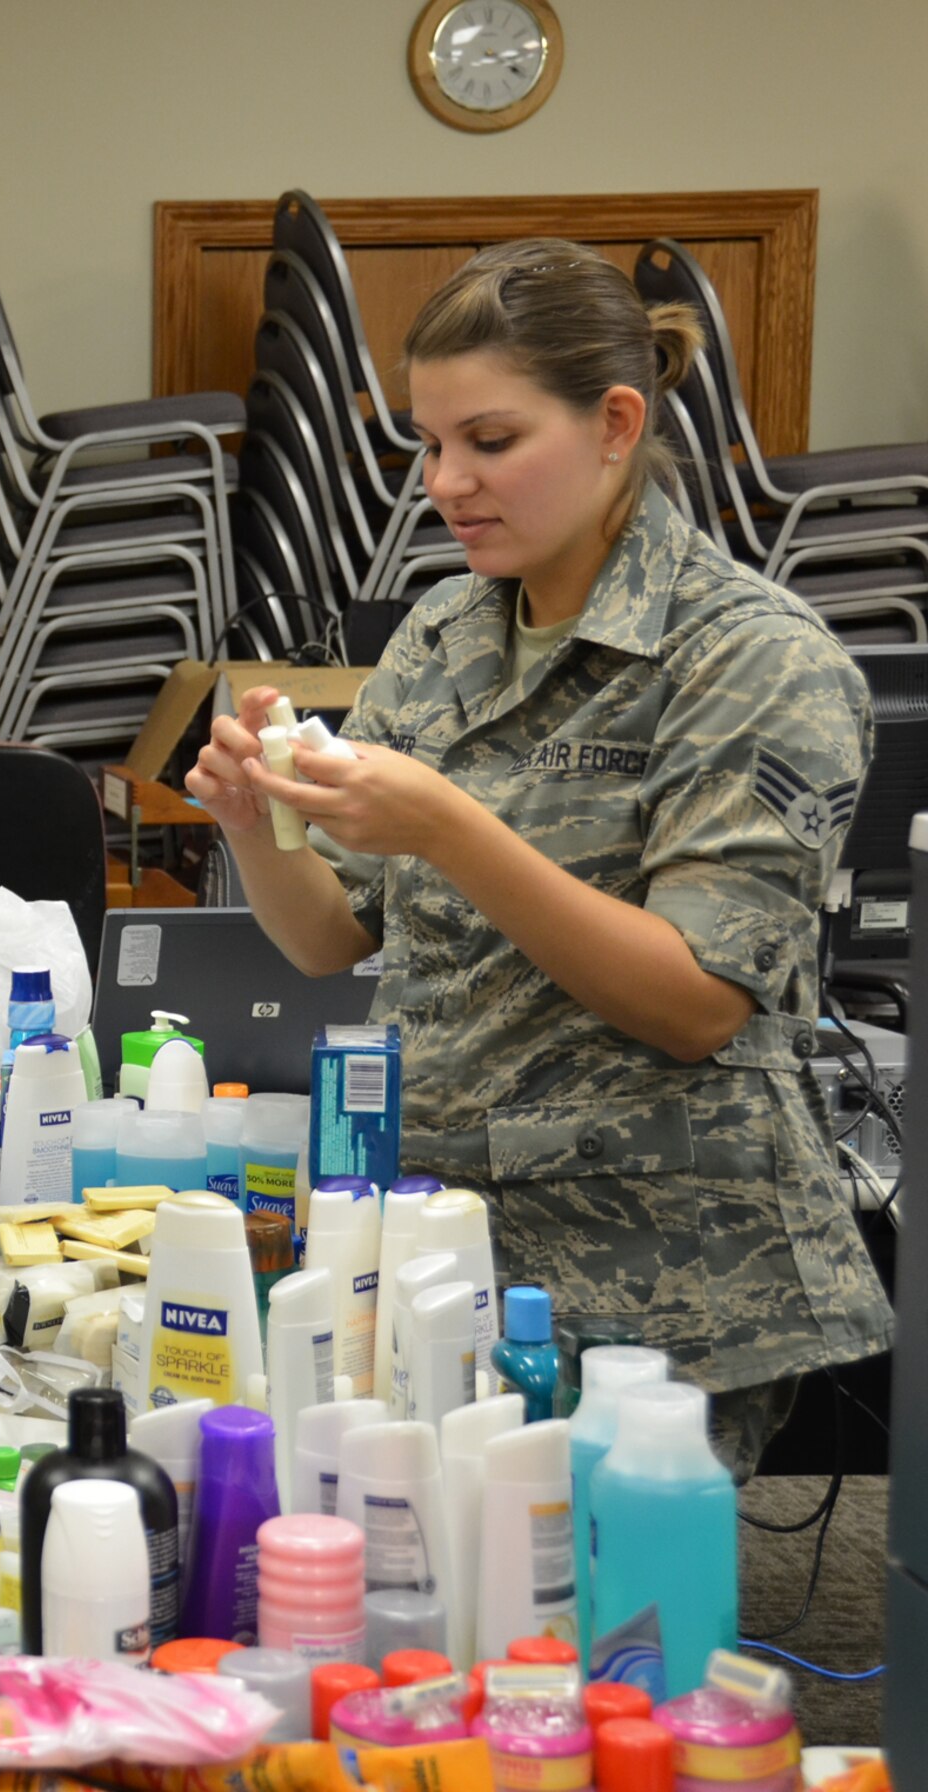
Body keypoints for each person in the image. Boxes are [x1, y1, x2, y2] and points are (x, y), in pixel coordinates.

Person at [189, 238, 892, 1482]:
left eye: (490, 441)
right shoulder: (445, 628)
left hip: (654, 1276)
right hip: (439, 1244)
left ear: (615, 422)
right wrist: (255, 821)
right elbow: (331, 938)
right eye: (428, 443)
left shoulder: (750, 658)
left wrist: (450, 827)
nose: (446, 481)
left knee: (600, 1649)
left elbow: (692, 1001)